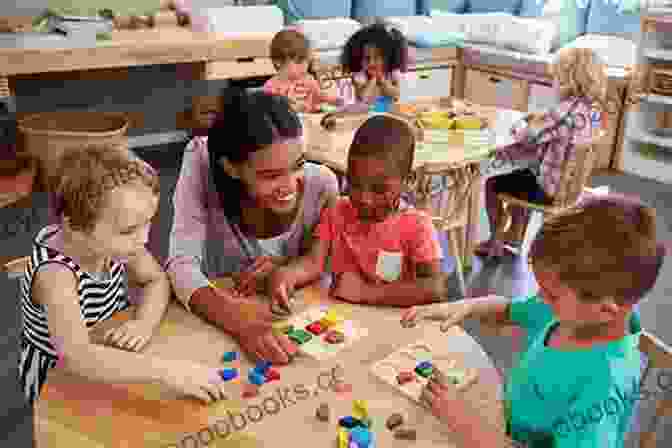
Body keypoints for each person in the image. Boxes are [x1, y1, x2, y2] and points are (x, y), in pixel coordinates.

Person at [401, 193, 664, 448]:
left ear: (606, 310)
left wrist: (466, 423)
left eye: (550, 294)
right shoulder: (579, 313)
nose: (540, 298)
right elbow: (507, 311)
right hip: (505, 424)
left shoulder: (605, 385)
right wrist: (465, 306)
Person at [18, 145, 230, 406]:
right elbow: (76, 357)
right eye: (129, 230)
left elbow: (156, 279)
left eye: (149, 222)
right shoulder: (55, 275)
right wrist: (168, 372)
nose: (143, 239)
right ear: (73, 226)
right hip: (58, 378)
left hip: (108, 350)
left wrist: (143, 324)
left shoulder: (115, 242)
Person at [165, 88, 340, 365]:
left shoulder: (322, 185)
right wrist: (238, 319)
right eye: (271, 175)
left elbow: (323, 262)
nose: (290, 186)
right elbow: (180, 263)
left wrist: (287, 269)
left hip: (292, 321)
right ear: (231, 168)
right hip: (217, 327)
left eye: (298, 165)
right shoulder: (202, 161)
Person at [266, 114, 461, 308]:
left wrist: (366, 293)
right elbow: (312, 263)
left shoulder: (416, 226)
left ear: (408, 181)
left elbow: (436, 289)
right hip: (346, 323)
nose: (364, 198)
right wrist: (284, 275)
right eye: (355, 184)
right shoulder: (336, 212)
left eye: (379, 189)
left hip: (396, 328)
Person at [476, 47, 608, 258]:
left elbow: (528, 138)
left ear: (568, 80)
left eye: (556, 77)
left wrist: (520, 127)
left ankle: (495, 240)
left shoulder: (563, 111)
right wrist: (541, 120)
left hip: (550, 190)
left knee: (493, 184)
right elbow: (554, 132)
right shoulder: (592, 110)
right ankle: (514, 236)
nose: (553, 82)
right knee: (525, 174)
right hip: (570, 186)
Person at [263, 29, 343, 113]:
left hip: (311, 121)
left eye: (307, 62)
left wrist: (333, 100)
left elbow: (320, 96)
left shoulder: (308, 80)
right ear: (278, 62)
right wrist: (290, 108)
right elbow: (269, 112)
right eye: (299, 62)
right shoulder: (271, 87)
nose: (304, 67)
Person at [340, 22, 407, 106]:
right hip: (366, 113)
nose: (371, 63)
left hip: (388, 111)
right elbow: (362, 98)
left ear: (386, 58)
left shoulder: (392, 73)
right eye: (367, 58)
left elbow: (396, 96)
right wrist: (373, 79)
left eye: (376, 58)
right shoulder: (360, 76)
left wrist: (382, 81)